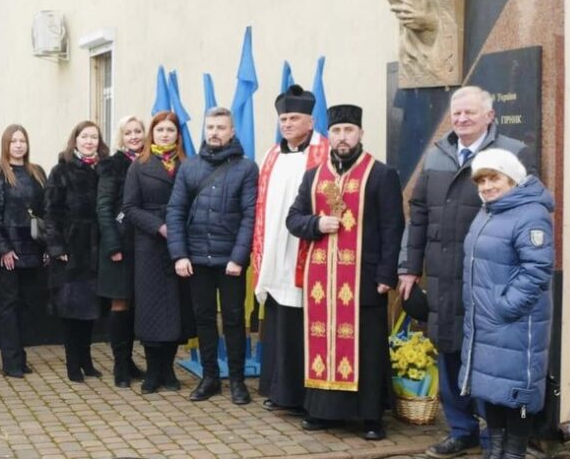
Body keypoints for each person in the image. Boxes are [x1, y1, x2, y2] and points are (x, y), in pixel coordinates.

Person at [401, 85, 533, 459]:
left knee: (488, 358)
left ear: (490, 116)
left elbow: (527, 211)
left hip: (491, 276)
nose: (461, 119)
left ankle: (496, 436)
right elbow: (419, 214)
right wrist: (409, 268)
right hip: (442, 275)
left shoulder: (513, 152)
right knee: (449, 351)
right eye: (456, 113)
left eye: (470, 113)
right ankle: (462, 431)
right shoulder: (437, 155)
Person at [286, 104, 404, 440]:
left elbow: (393, 227)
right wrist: (316, 223)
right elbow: (293, 219)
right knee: (323, 341)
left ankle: (370, 418)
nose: (342, 137)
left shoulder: (381, 174)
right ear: (329, 136)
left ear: (360, 134)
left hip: (364, 280)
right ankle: (324, 413)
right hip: (322, 281)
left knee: (367, 348)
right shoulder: (314, 177)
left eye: (348, 131)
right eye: (336, 131)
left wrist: (386, 275)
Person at [460, 149, 553, 459]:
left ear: (512, 178)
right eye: (481, 180)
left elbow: (537, 270)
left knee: (518, 398)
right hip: (486, 323)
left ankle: (513, 454)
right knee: (493, 392)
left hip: (514, 323)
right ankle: (495, 451)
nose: (486, 186)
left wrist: (505, 307)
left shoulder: (530, 213)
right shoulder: (489, 210)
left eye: (494, 178)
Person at [166, 106, 258, 405]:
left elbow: (249, 215)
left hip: (230, 262)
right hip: (196, 261)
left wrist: (238, 257)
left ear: (232, 131)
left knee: (233, 320)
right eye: (210, 128)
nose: (215, 132)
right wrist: (179, 254)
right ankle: (209, 379)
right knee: (203, 319)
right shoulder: (189, 167)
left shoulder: (246, 168)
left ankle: (237, 381)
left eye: (221, 127)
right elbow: (176, 211)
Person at [252, 85, 329, 413]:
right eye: (283, 118)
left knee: (301, 322)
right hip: (274, 250)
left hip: (306, 248)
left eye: (294, 118)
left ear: (310, 122)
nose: (286, 124)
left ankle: (302, 394)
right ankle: (278, 389)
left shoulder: (324, 153)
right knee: (277, 320)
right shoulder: (272, 154)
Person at [122, 111, 194, 394]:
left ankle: (169, 369)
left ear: (178, 135)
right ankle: (152, 372)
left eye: (171, 130)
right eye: (160, 130)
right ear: (153, 133)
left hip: (181, 245)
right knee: (151, 311)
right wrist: (159, 227)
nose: (165, 135)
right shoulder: (139, 165)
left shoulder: (187, 164)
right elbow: (129, 207)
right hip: (150, 245)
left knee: (176, 310)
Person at [45, 120, 108, 382]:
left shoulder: (105, 170)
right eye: (84, 137)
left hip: (96, 251)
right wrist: (57, 246)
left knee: (90, 311)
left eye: (94, 137)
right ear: (75, 140)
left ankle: (86, 360)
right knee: (71, 311)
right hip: (70, 251)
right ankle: (73, 364)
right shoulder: (61, 171)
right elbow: (50, 213)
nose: (90, 141)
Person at [0, 124, 48, 378]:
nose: (19, 145)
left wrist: (45, 247)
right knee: (9, 307)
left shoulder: (37, 172)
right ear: (6, 145)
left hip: (33, 250)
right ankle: (11, 363)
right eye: (14, 141)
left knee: (25, 306)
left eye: (23, 140)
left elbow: (44, 213)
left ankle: (21, 357)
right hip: (9, 253)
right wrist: (3, 249)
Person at [96, 115, 146, 388]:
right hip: (118, 246)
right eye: (129, 132)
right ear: (121, 137)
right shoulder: (112, 166)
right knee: (120, 303)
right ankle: (120, 366)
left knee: (138, 305)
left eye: (138, 131)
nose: (134, 136)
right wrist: (114, 244)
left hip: (145, 245)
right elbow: (103, 208)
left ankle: (129, 361)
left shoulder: (151, 162)